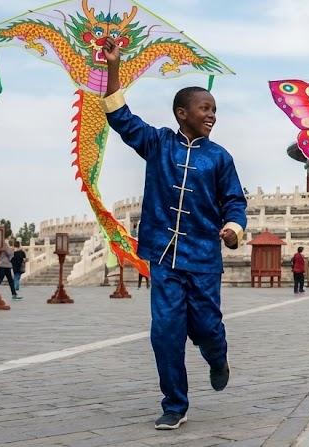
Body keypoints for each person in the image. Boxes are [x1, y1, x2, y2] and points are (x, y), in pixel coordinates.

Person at [102, 41, 247, 430]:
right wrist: (114, 67)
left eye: (215, 109)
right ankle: (174, 404)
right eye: (205, 108)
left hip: (202, 258)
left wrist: (233, 230)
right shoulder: (158, 144)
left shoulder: (219, 157)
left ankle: (217, 356)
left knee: (206, 328)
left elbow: (234, 201)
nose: (212, 115)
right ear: (182, 113)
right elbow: (120, 117)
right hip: (163, 256)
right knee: (165, 333)